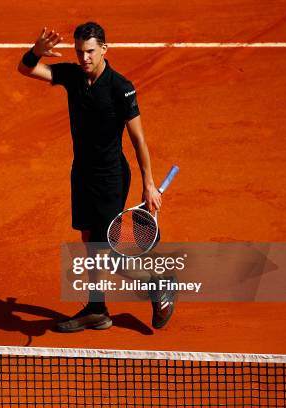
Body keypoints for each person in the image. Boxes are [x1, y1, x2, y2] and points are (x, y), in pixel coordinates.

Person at [17, 22, 175, 332]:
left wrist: (149, 183)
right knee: (89, 240)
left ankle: (160, 286)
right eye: (80, 51)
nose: (84, 58)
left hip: (111, 179)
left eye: (90, 51)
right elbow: (27, 70)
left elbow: (138, 139)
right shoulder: (73, 76)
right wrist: (36, 51)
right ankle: (97, 308)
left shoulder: (121, 87)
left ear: (104, 49)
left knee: (107, 254)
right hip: (82, 174)